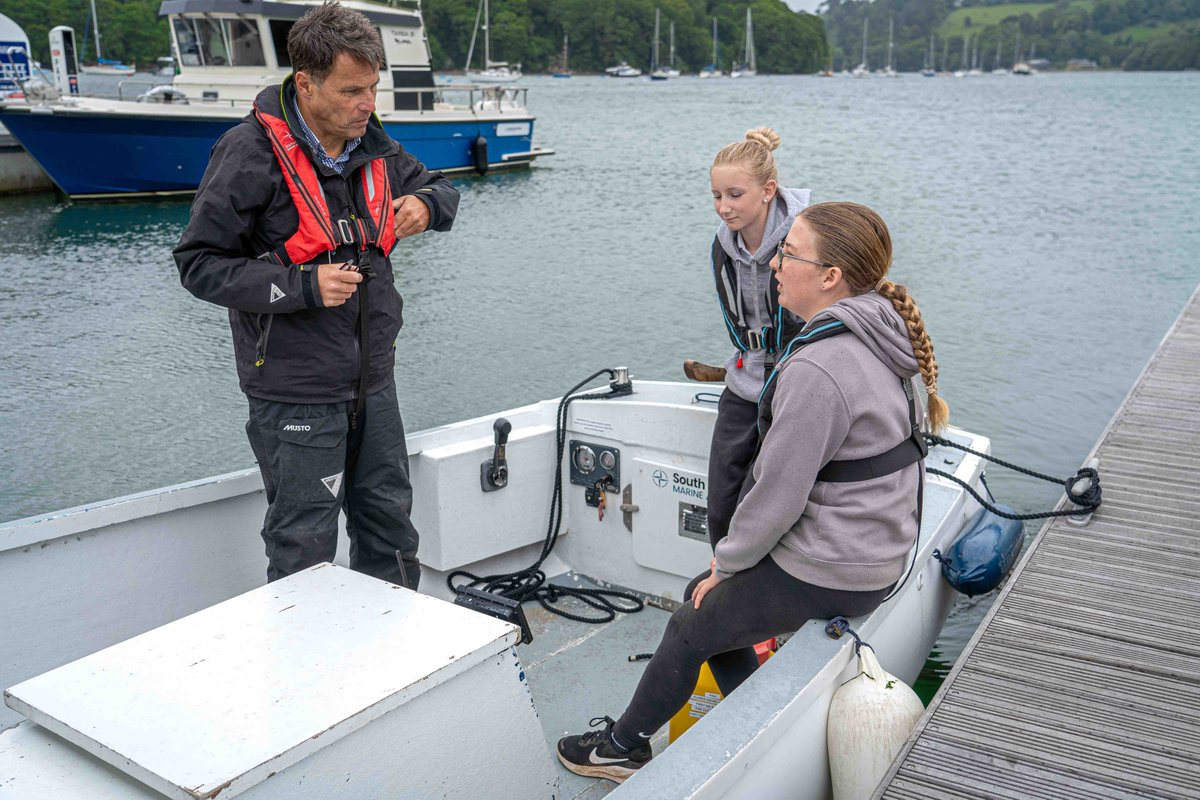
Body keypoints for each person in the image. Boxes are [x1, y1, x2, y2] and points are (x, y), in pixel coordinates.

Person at [557, 202, 949, 783]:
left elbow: (777, 495)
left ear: (830, 277)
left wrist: (727, 562)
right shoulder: (883, 330)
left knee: (695, 613)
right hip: (879, 548)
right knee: (716, 610)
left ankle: (620, 747)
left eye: (789, 255)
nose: (774, 266)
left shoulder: (821, 368)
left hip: (840, 564)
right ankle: (754, 712)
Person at [173, 2, 459, 589]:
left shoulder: (372, 146)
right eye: (353, 90)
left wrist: (426, 206)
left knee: (391, 530)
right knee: (303, 545)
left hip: (374, 382)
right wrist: (302, 285)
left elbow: (442, 187)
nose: (368, 104)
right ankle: (309, 674)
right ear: (305, 83)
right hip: (295, 391)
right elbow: (198, 265)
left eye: (374, 88)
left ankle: (398, 665)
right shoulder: (247, 153)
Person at [693, 127, 811, 551]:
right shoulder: (725, 246)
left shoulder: (808, 239)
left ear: (768, 190)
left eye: (735, 195)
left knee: (769, 497)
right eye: (716, 196)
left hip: (797, 383)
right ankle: (723, 573)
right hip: (745, 379)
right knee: (721, 499)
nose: (723, 207)